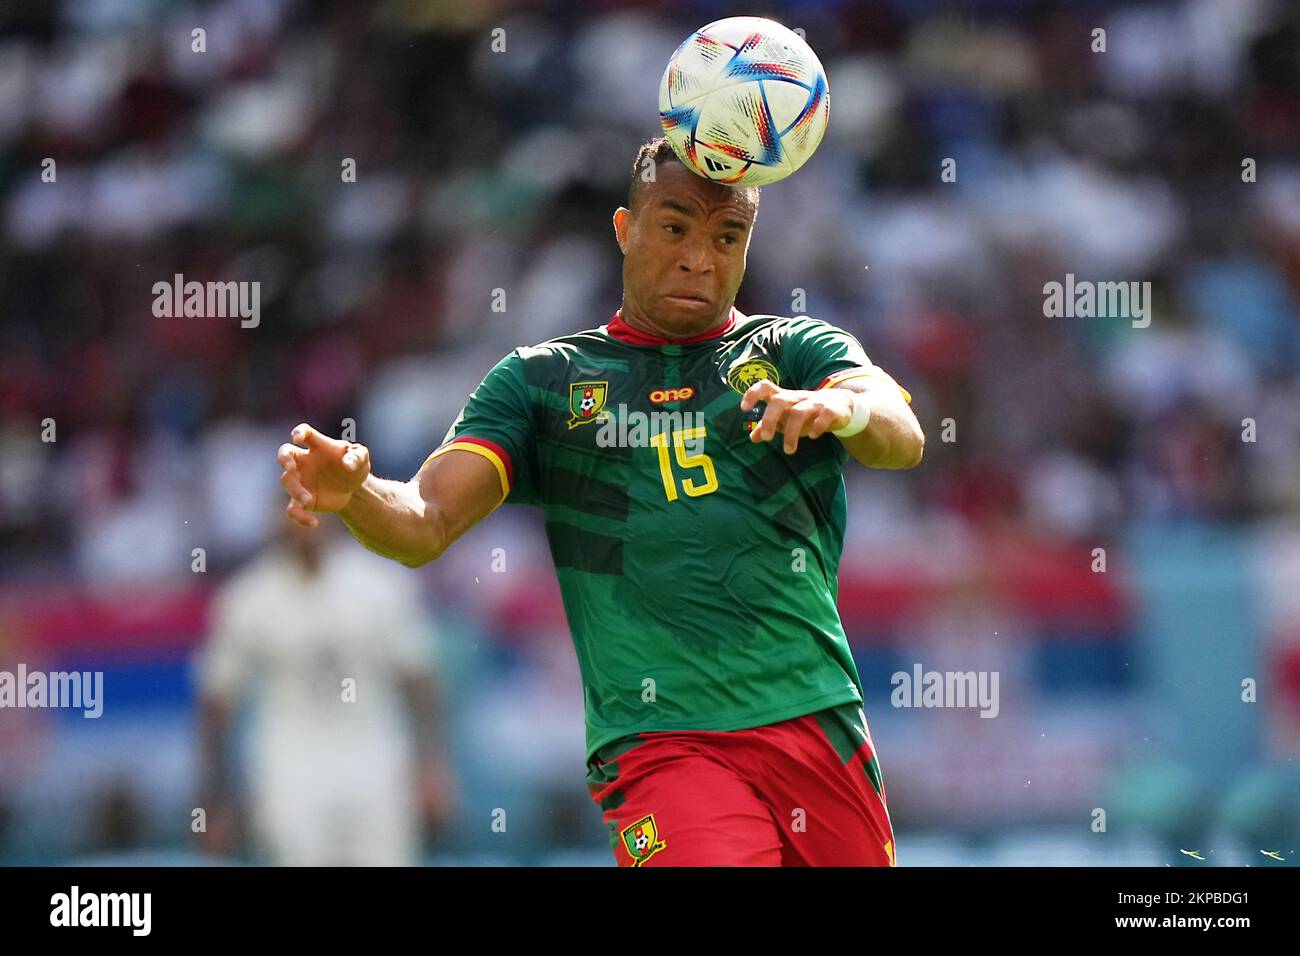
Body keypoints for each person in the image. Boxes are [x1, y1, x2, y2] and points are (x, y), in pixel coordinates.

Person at [276, 136, 924, 866]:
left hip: (817, 729)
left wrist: (841, 412)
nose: (699, 259)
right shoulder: (541, 385)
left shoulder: (798, 351)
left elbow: (901, 433)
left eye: (727, 236)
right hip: (660, 745)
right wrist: (356, 493)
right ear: (625, 229)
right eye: (676, 227)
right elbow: (425, 522)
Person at [194, 509, 457, 866]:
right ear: (276, 519)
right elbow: (218, 702)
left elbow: (418, 681)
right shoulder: (247, 597)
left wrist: (433, 766)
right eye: (294, 508)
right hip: (288, 767)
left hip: (377, 763)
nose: (306, 521)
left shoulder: (381, 584)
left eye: (316, 506)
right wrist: (214, 799)